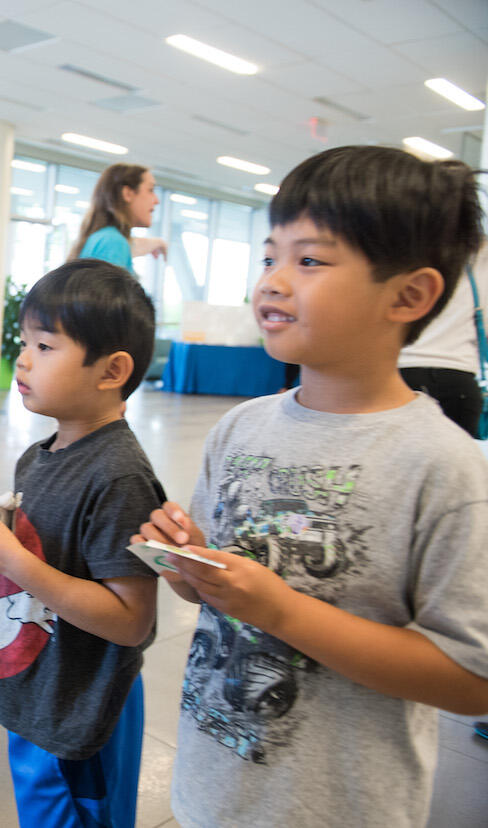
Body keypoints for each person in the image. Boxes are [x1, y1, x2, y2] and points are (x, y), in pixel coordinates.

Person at [136, 145, 488, 827]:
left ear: (409, 295)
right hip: (211, 790)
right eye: (270, 256)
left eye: (310, 260)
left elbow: (472, 678)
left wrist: (279, 609)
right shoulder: (238, 429)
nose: (272, 281)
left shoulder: (442, 464)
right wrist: (192, 566)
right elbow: (222, 593)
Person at [0, 259, 163, 828]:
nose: (22, 358)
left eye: (45, 346)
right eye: (24, 342)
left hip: (84, 711)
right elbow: (51, 547)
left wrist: (11, 558)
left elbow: (130, 620)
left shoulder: (120, 477)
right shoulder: (41, 456)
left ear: (111, 370)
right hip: (41, 694)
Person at [398, 243, 488, 438]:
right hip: (458, 380)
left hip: (402, 374)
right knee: (455, 464)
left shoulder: (401, 246)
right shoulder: (478, 255)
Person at [68, 163, 166, 273]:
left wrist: (159, 243)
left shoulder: (104, 238)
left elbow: (133, 246)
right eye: (150, 190)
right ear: (128, 193)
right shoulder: (113, 242)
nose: (157, 200)